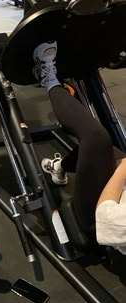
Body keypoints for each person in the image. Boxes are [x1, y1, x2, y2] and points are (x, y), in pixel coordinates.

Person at [33, 41, 126, 254]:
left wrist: (123, 169)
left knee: (96, 139)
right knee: (100, 151)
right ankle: (60, 167)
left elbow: (106, 216)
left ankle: (48, 79)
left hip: (98, 217)